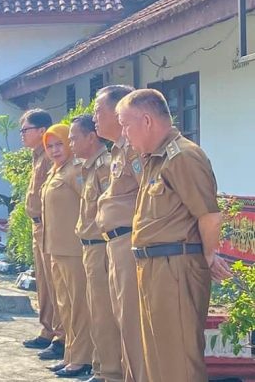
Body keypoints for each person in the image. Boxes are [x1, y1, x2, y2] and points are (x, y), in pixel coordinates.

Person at [116, 89, 232, 382]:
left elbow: (209, 215)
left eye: (126, 125)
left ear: (146, 121)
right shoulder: (155, 159)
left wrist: (208, 255)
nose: (124, 133)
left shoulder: (182, 156)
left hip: (175, 267)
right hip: (154, 267)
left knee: (179, 360)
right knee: (159, 358)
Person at [93, 85, 146, 382]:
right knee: (122, 320)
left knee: (133, 323)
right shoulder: (117, 150)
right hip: (114, 241)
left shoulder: (133, 149)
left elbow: (149, 196)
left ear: (118, 112)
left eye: (98, 111)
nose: (94, 117)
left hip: (130, 240)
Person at [69, 114, 123, 382]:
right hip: (90, 247)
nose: (70, 144)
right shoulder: (88, 167)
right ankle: (100, 367)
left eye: (74, 138)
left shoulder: (105, 166)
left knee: (104, 313)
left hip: (101, 247)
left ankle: (110, 372)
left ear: (91, 137)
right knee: (94, 312)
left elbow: (108, 210)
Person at [41, 124, 93, 378]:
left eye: (59, 144)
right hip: (55, 249)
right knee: (65, 307)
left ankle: (82, 358)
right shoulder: (55, 171)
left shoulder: (76, 170)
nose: (55, 150)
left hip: (74, 249)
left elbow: (90, 202)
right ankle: (71, 354)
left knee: (78, 306)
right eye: (49, 146)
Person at [19, 109, 66, 359]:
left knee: (55, 283)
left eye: (25, 130)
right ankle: (48, 330)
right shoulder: (37, 156)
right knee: (44, 283)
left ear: (41, 130)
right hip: (38, 225)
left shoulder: (49, 156)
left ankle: (61, 335)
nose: (22, 135)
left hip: (50, 226)